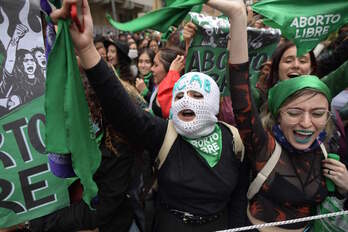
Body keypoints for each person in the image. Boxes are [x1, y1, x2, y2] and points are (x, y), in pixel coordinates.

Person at [51, 0, 249, 231]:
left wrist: (238, 16)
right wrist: (86, 50)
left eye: (196, 95)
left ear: (213, 103)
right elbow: (122, 109)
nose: (186, 100)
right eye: (179, 95)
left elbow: (238, 202)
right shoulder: (164, 134)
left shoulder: (234, 141)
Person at [229, 47, 348, 232]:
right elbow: (240, 90)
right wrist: (238, 20)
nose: (306, 123)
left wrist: (344, 188)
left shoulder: (327, 147)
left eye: (317, 113)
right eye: (294, 113)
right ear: (278, 116)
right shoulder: (263, 146)